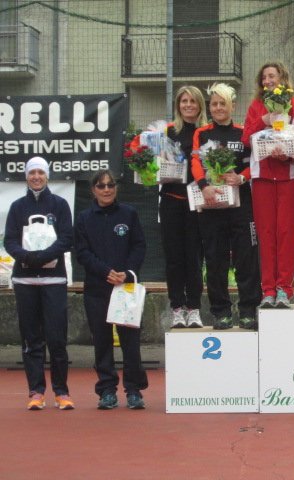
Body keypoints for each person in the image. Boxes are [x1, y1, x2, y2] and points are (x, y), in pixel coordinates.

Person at [4, 156, 74, 410]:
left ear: (47, 176)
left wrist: (44, 256)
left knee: (57, 339)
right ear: (26, 176)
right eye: (32, 173)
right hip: (25, 281)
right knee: (31, 339)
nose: (36, 177)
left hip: (54, 280)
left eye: (40, 173)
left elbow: (67, 238)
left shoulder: (60, 205)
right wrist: (26, 257)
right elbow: (10, 241)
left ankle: (61, 392)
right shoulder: (17, 207)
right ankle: (36, 392)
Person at [74, 170, 148, 410]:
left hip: (126, 288)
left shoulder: (129, 213)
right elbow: (82, 253)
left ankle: (134, 390)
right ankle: (107, 390)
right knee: (102, 342)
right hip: (97, 288)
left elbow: (139, 245)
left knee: (130, 342)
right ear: (93, 190)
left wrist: (127, 273)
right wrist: (105, 271)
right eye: (101, 186)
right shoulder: (84, 218)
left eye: (110, 185)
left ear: (116, 187)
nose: (106, 189)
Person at [191, 83, 261, 329]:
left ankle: (248, 310)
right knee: (215, 259)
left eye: (223, 104)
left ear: (233, 106)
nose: (218, 108)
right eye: (214, 104)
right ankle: (220, 312)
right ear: (209, 107)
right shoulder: (202, 133)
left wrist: (241, 177)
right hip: (211, 204)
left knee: (246, 258)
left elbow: (253, 163)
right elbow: (195, 163)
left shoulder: (243, 132)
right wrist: (204, 186)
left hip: (242, 205)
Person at [242, 62, 294, 309]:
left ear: (282, 78)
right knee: (266, 234)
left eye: (272, 76)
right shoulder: (256, 106)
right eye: (264, 77)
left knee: (287, 234)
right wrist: (264, 119)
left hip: (288, 176)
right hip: (262, 177)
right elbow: (246, 137)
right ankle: (268, 289)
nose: (268, 80)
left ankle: (284, 290)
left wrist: (288, 153)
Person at [161, 86, 208, 328]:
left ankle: (194, 309)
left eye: (193, 101)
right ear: (178, 105)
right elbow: (155, 164)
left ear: (200, 105)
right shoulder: (168, 132)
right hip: (171, 200)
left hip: (197, 203)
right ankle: (177, 308)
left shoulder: (206, 133)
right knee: (174, 258)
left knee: (194, 257)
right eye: (184, 101)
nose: (188, 105)